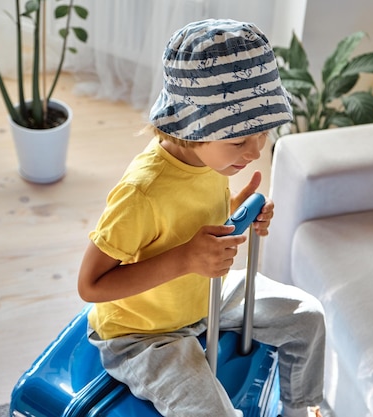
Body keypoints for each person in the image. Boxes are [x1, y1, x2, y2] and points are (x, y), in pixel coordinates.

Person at [77, 19, 325, 417]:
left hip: (205, 297)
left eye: (262, 133)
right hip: (144, 333)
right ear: (193, 128)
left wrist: (240, 212)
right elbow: (90, 285)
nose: (253, 151)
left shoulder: (213, 163)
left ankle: (300, 409)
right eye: (239, 139)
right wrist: (186, 260)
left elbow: (188, 223)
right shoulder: (141, 192)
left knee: (306, 318)